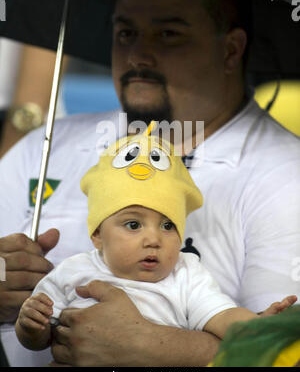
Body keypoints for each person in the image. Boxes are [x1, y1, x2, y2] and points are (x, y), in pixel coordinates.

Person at [1, 0, 300, 367]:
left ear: (231, 50)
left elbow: (285, 352)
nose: (138, 55)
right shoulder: (47, 144)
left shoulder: (286, 175)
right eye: (125, 32)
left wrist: (160, 349)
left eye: (168, 34)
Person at [15, 124, 297, 352]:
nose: (154, 239)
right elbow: (40, 339)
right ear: (98, 235)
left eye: (167, 225)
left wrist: (259, 328)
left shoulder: (186, 276)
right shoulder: (74, 272)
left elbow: (221, 316)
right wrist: (31, 326)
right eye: (134, 224)